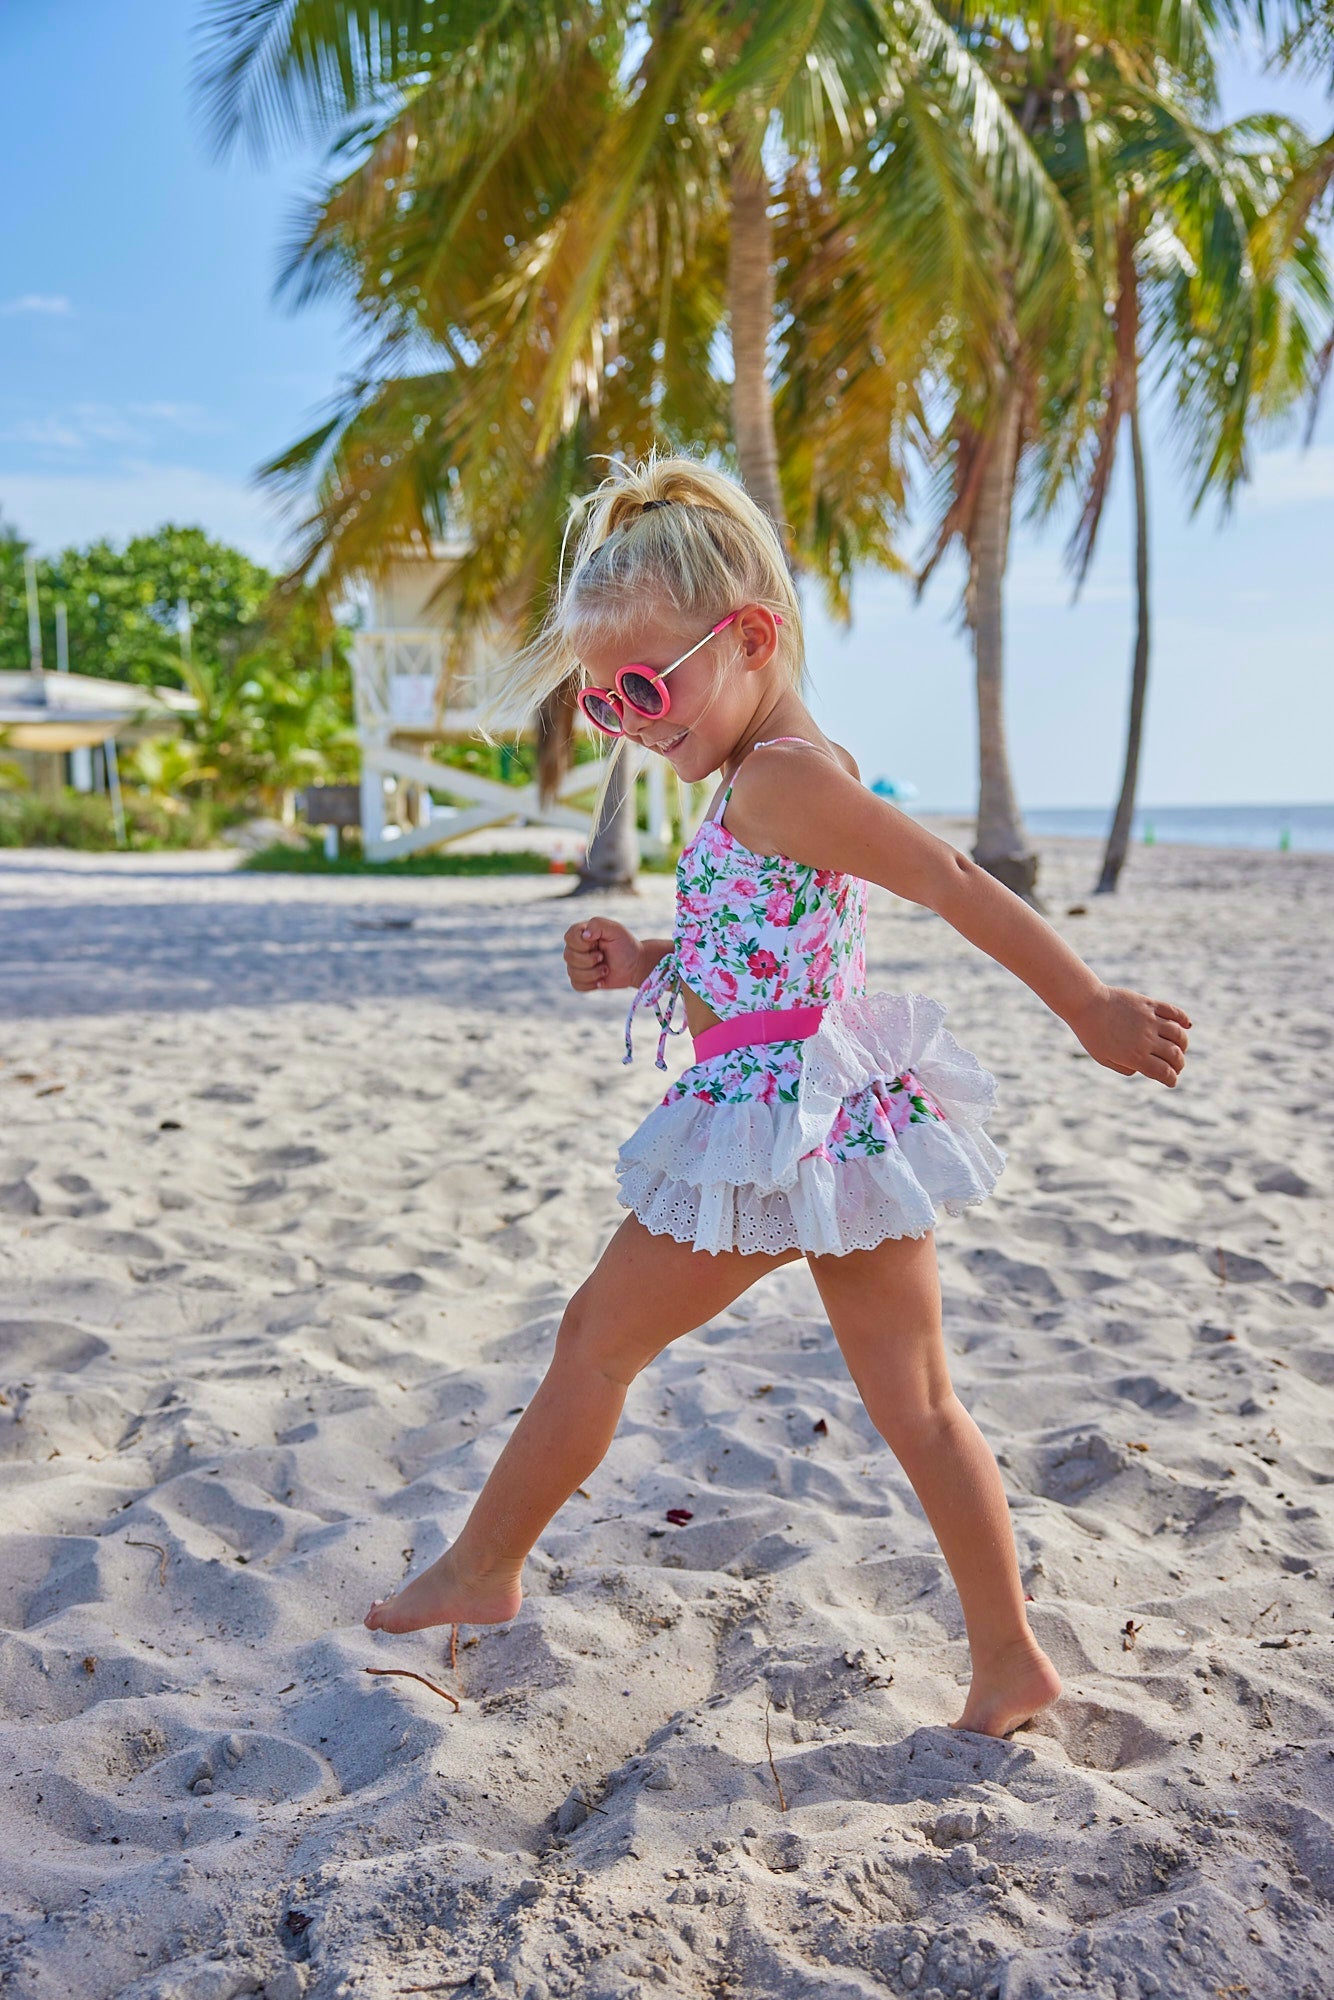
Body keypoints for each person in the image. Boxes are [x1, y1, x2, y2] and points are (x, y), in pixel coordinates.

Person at [366, 454, 1191, 1740]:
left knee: (596, 1337)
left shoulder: (780, 779)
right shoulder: (776, 769)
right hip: (835, 1113)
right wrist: (644, 961)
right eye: (604, 708)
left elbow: (954, 882)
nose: (635, 722)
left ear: (748, 637)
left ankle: (484, 1565)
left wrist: (1086, 1005)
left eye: (647, 687)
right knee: (915, 1400)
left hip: (776, 1122)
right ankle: (1007, 1658)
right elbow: (767, 950)